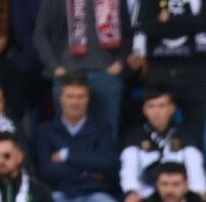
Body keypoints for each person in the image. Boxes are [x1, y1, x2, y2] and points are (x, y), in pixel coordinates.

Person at [34, 77, 125, 202]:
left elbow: (109, 164)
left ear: (88, 99)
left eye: (80, 97)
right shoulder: (46, 131)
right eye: (70, 96)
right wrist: (87, 171)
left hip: (92, 194)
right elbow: (46, 170)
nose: (75, 102)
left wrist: (67, 156)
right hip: (59, 194)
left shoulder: (101, 129)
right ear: (61, 99)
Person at [32, 0, 131, 136]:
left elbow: (127, 33)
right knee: (66, 135)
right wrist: (54, 66)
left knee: (108, 134)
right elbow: (40, 34)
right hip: (67, 75)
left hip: (105, 74)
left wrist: (119, 62)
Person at [130, 0, 206, 148]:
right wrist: (190, 25)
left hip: (193, 73)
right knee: (154, 132)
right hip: (159, 71)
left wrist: (170, 18)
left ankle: (191, 162)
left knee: (195, 137)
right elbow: (147, 26)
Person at [119, 86, 206, 202]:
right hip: (146, 198)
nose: (156, 112)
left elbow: (196, 173)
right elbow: (129, 172)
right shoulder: (134, 137)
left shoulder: (185, 137)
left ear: (172, 108)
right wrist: (131, 192)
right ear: (145, 110)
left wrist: (197, 194)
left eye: (162, 106)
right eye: (151, 106)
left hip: (180, 199)